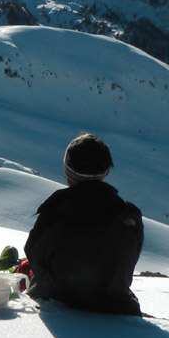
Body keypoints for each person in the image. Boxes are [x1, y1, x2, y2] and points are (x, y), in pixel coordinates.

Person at [24, 133, 144, 316]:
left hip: (58, 300)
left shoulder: (57, 211)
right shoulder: (129, 216)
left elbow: (34, 254)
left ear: (66, 169)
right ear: (106, 171)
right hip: (116, 305)